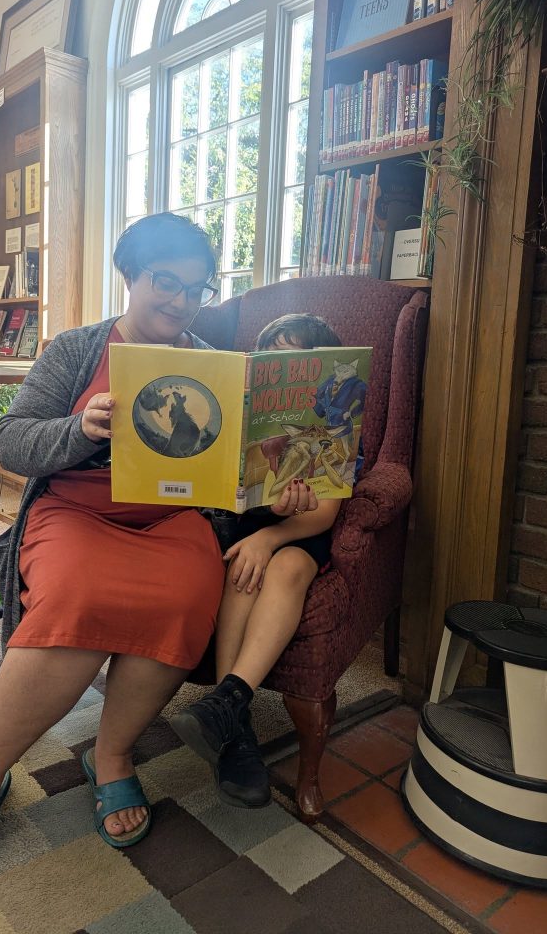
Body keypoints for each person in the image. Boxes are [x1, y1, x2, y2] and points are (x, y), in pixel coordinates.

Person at [0, 212, 230, 884]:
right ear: (131, 276)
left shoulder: (212, 364)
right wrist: (81, 428)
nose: (180, 301)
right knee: (75, 598)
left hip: (170, 521)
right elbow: (11, 443)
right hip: (76, 512)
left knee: (187, 595)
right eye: (165, 282)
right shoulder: (76, 350)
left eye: (195, 288)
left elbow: (225, 471)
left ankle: (114, 753)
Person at [170, 313, 360, 809]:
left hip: (303, 534)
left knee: (291, 566)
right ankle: (233, 717)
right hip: (249, 528)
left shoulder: (338, 425)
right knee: (244, 567)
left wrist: (276, 533)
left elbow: (325, 514)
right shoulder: (247, 422)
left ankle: (228, 703)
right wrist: (258, 517)